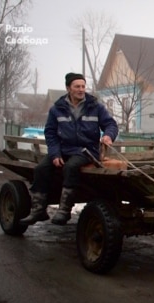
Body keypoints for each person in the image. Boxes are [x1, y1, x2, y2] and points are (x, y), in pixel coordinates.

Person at [20, 73, 118, 226]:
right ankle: (38, 210)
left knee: (71, 167)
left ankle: (64, 210)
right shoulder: (57, 109)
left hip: (87, 150)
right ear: (68, 88)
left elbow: (110, 124)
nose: (81, 90)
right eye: (77, 86)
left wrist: (108, 135)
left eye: (83, 86)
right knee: (41, 169)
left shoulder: (95, 107)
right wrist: (55, 154)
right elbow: (50, 133)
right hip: (63, 149)